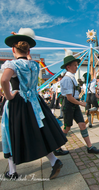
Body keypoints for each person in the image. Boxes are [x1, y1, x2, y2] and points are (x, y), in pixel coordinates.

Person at [1, 28, 67, 180]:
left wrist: (9, 95)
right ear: (28, 49)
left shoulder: (11, 64)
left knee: (11, 133)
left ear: (13, 49)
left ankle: (12, 171)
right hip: (35, 103)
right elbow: (27, 59)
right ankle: (54, 160)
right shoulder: (34, 65)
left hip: (18, 103)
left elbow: (4, 80)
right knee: (40, 131)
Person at [60, 54, 99, 154]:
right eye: (74, 65)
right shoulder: (66, 79)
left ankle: (90, 147)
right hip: (68, 104)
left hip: (74, 104)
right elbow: (69, 97)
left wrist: (78, 103)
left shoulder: (73, 77)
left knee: (82, 125)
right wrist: (81, 103)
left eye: (76, 65)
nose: (76, 67)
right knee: (67, 127)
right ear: (68, 67)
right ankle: (57, 148)